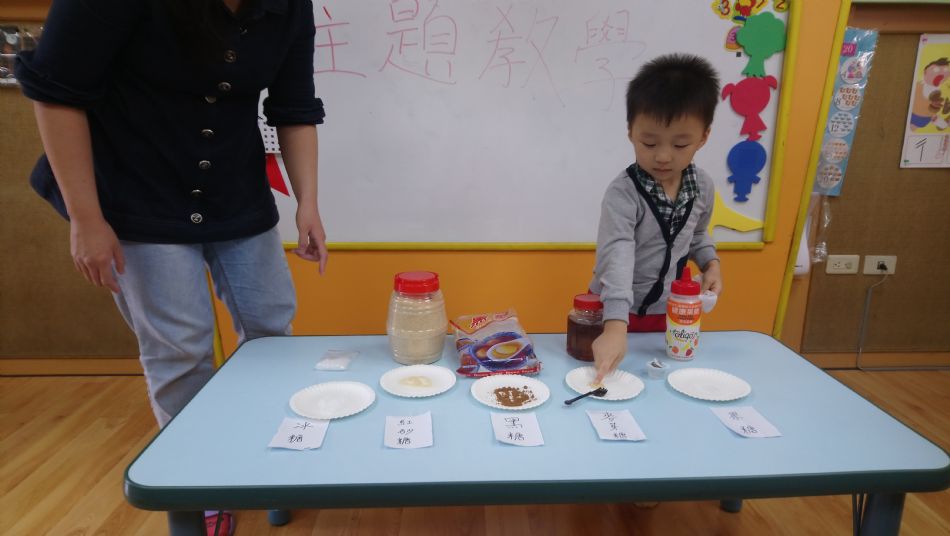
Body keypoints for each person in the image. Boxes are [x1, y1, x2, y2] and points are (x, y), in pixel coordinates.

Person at [589, 54, 723, 383]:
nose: (663, 156)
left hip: (668, 312)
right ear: (630, 131)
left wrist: (711, 264)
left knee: (658, 382)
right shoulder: (623, 193)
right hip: (612, 311)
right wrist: (615, 326)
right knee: (608, 380)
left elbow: (696, 235)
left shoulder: (702, 186)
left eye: (680, 144)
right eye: (649, 142)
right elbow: (617, 254)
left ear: (704, 137)